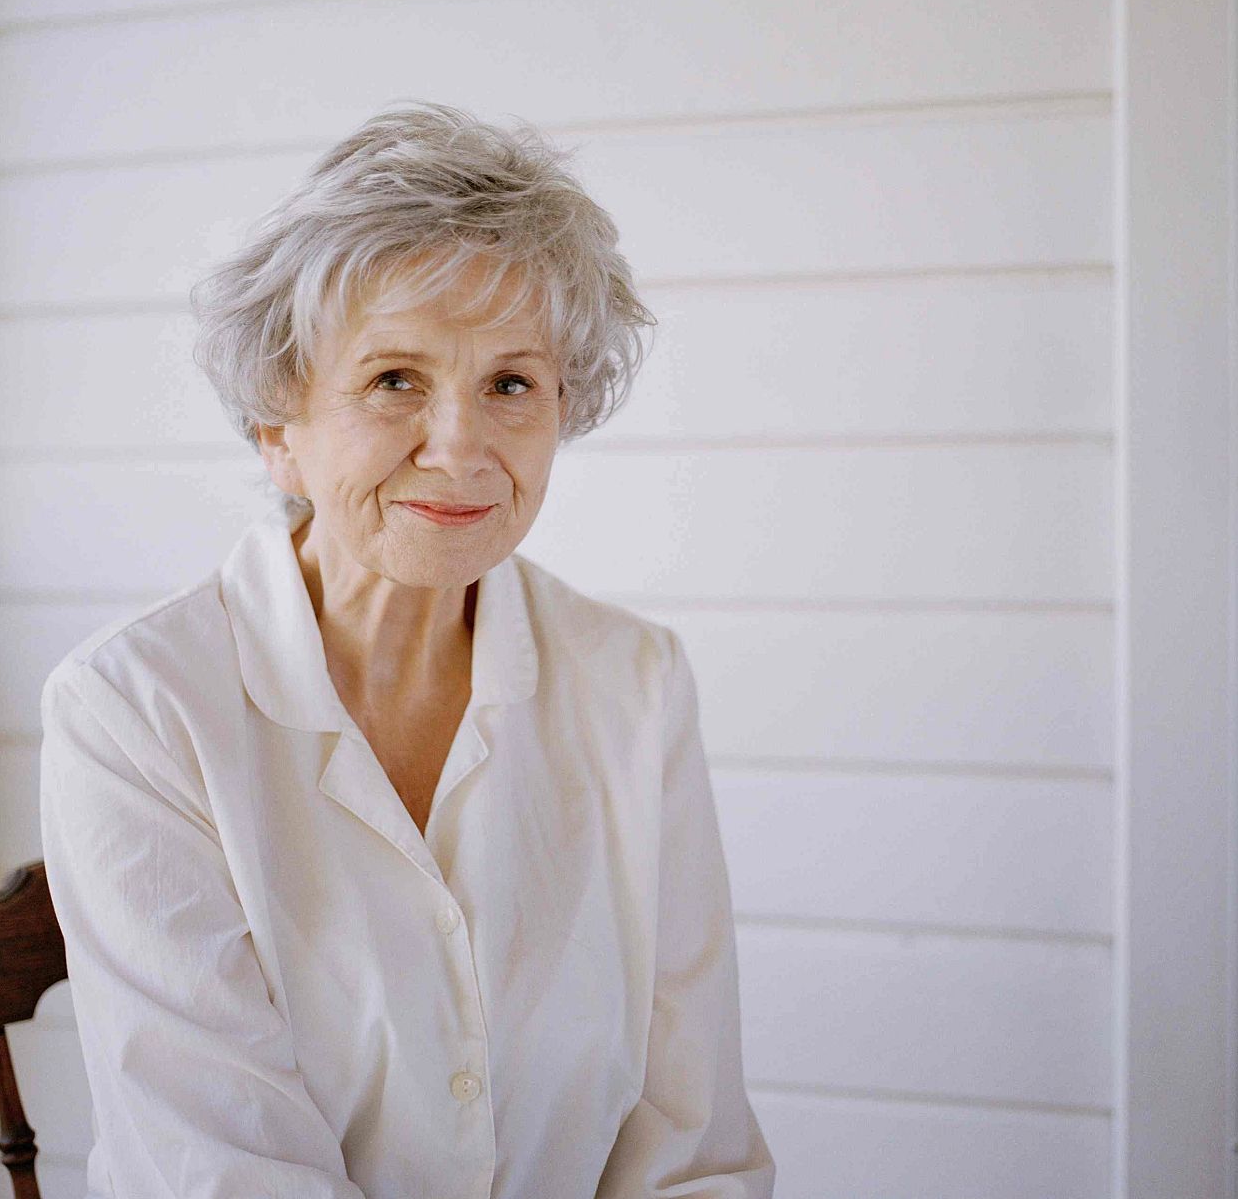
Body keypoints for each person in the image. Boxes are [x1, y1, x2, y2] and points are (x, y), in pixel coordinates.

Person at [39, 100, 777, 1198]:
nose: (460, 446)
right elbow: (222, 1169)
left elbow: (690, 1135)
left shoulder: (634, 682)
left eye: (510, 384)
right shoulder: (134, 707)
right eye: (394, 380)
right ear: (277, 425)